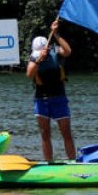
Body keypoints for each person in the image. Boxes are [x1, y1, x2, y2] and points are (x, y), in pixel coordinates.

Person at [27, 19, 75, 161]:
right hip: (41, 99)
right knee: (44, 133)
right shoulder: (34, 57)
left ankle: (73, 161)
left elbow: (68, 51)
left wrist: (56, 34)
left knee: (66, 132)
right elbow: (29, 74)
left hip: (58, 97)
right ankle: (49, 163)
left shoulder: (55, 51)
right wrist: (38, 60)